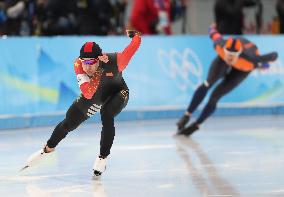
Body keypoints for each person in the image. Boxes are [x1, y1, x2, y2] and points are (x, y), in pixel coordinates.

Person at [22, 30, 141, 177]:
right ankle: (47, 149)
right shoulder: (78, 64)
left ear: (99, 59)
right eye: (85, 62)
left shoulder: (117, 60)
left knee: (107, 113)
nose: (88, 67)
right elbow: (88, 93)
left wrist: (134, 35)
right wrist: (98, 71)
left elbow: (135, 45)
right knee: (69, 121)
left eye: (91, 63)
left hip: (118, 92)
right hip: (95, 94)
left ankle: (102, 157)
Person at [176, 24, 278, 136]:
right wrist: (212, 27)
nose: (229, 59)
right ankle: (187, 115)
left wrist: (262, 63)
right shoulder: (219, 45)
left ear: (239, 54)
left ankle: (197, 125)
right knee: (207, 83)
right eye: (228, 54)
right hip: (223, 60)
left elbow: (274, 56)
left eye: (232, 56)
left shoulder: (250, 60)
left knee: (215, 96)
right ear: (224, 49)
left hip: (242, 69)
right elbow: (213, 32)